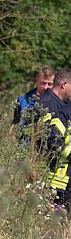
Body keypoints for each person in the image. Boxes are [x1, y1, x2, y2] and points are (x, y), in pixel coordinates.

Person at [38, 69, 71, 208]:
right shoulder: (49, 103)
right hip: (51, 173)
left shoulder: (58, 104)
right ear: (64, 84)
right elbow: (48, 139)